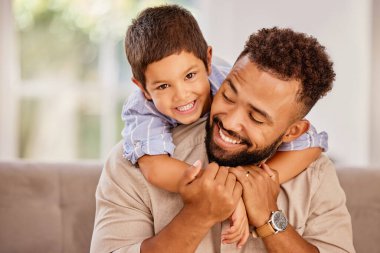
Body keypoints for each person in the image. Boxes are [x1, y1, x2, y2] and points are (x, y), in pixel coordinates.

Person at [90, 26, 355, 253]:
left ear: (292, 132)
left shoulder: (315, 174)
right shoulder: (133, 164)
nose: (229, 121)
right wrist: (197, 216)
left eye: (256, 117)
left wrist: (268, 217)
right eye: (228, 96)